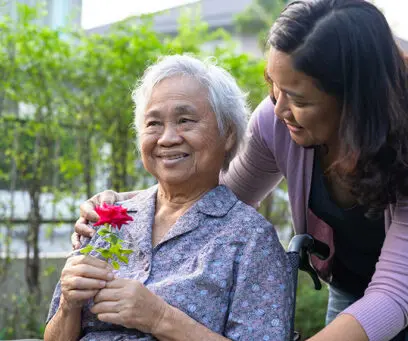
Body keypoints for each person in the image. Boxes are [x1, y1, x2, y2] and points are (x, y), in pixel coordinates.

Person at [73, 1, 408, 340]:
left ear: (352, 99)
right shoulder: (277, 119)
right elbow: (218, 195)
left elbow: (396, 295)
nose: (277, 107)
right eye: (272, 85)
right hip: (356, 277)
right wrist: (122, 210)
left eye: (298, 97)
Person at [45, 55, 293, 341]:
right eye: (153, 124)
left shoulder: (251, 239)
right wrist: (68, 305)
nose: (167, 138)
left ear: (227, 134)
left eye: (185, 120)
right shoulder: (107, 220)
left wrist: (160, 318)